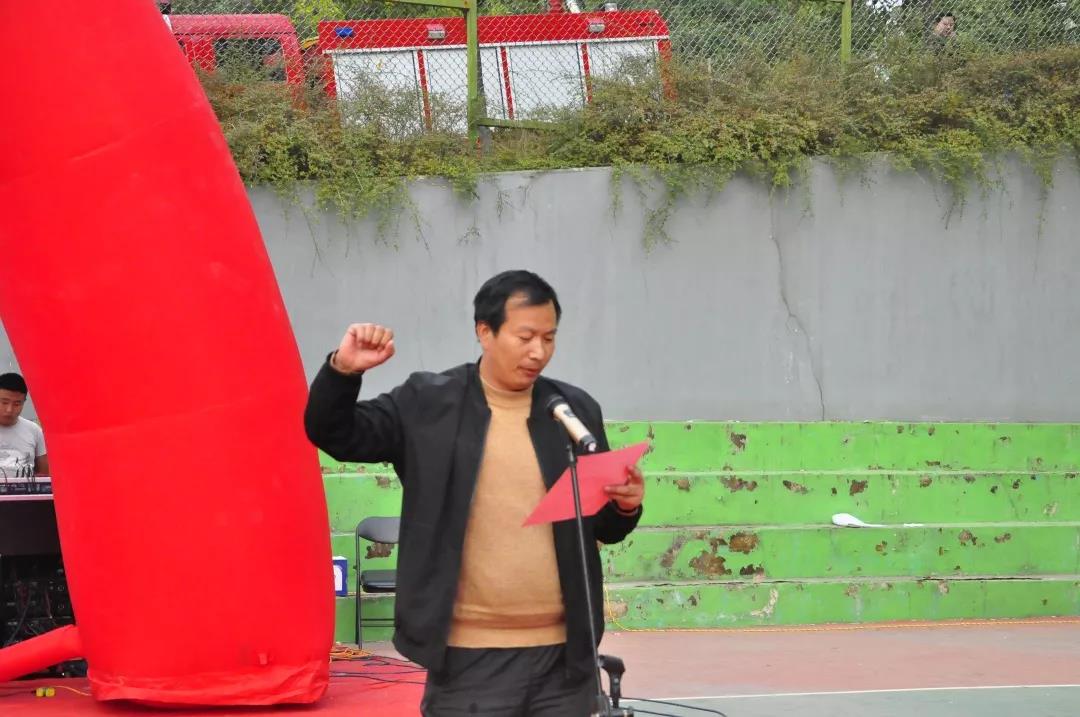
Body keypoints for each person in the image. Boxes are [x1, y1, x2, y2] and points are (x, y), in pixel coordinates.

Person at [305, 270, 645, 716]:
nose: (538, 352)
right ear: (485, 331)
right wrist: (343, 371)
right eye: (525, 337)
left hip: (566, 660)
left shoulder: (572, 409)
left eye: (549, 338)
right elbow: (333, 432)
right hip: (468, 658)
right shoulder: (429, 403)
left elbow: (603, 527)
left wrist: (626, 505)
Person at [0, 372, 49, 478]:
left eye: (17, 404)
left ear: (24, 402)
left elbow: (45, 475)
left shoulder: (34, 431)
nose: (9, 410)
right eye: (4, 402)